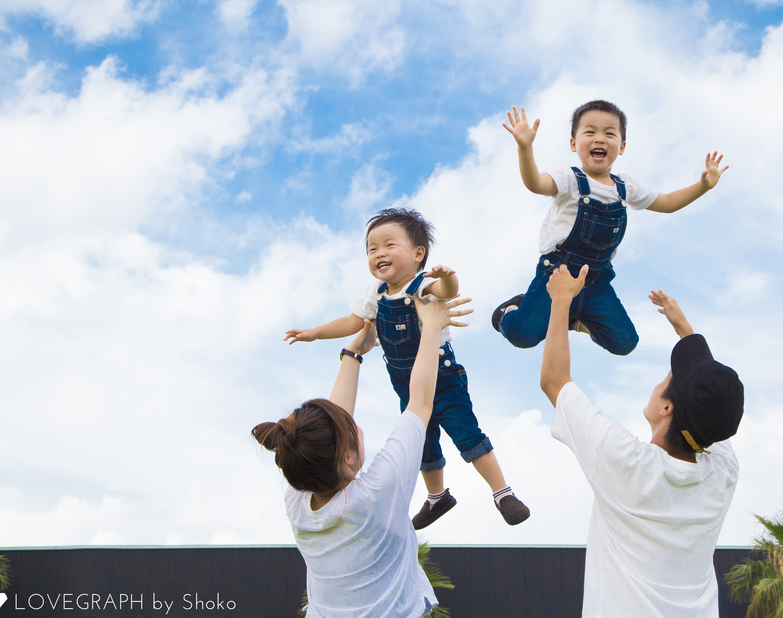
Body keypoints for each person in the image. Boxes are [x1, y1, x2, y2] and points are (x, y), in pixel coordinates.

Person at [284, 208, 529, 528]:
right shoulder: (376, 294)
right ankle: (437, 497)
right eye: (372, 249)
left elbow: (448, 292)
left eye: (389, 245)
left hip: (441, 379)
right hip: (405, 382)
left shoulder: (422, 285)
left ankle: (502, 492)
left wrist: (447, 277)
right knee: (420, 442)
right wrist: (315, 333)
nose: (379, 253)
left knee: (466, 434)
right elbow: (353, 321)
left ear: (418, 254)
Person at [540, 263, 744, 617]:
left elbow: (555, 381)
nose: (663, 376)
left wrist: (561, 299)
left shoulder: (628, 462)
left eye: (668, 376)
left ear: (667, 407)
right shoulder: (720, 473)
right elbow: (715, 405)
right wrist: (686, 332)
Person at [254, 295, 470, 618]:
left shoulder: (298, 497)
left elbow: (326, 433)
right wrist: (433, 328)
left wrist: (354, 352)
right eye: (351, 427)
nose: (354, 423)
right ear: (348, 459)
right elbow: (422, 402)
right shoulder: (376, 493)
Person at [493, 101, 728, 356]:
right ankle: (510, 311)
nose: (600, 139)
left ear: (622, 146)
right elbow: (535, 183)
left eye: (609, 133)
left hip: (596, 282)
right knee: (522, 336)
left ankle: (574, 318)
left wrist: (703, 185)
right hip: (558, 275)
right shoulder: (569, 179)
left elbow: (668, 202)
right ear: (574, 143)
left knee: (625, 343)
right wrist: (525, 147)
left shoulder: (625, 187)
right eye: (590, 132)